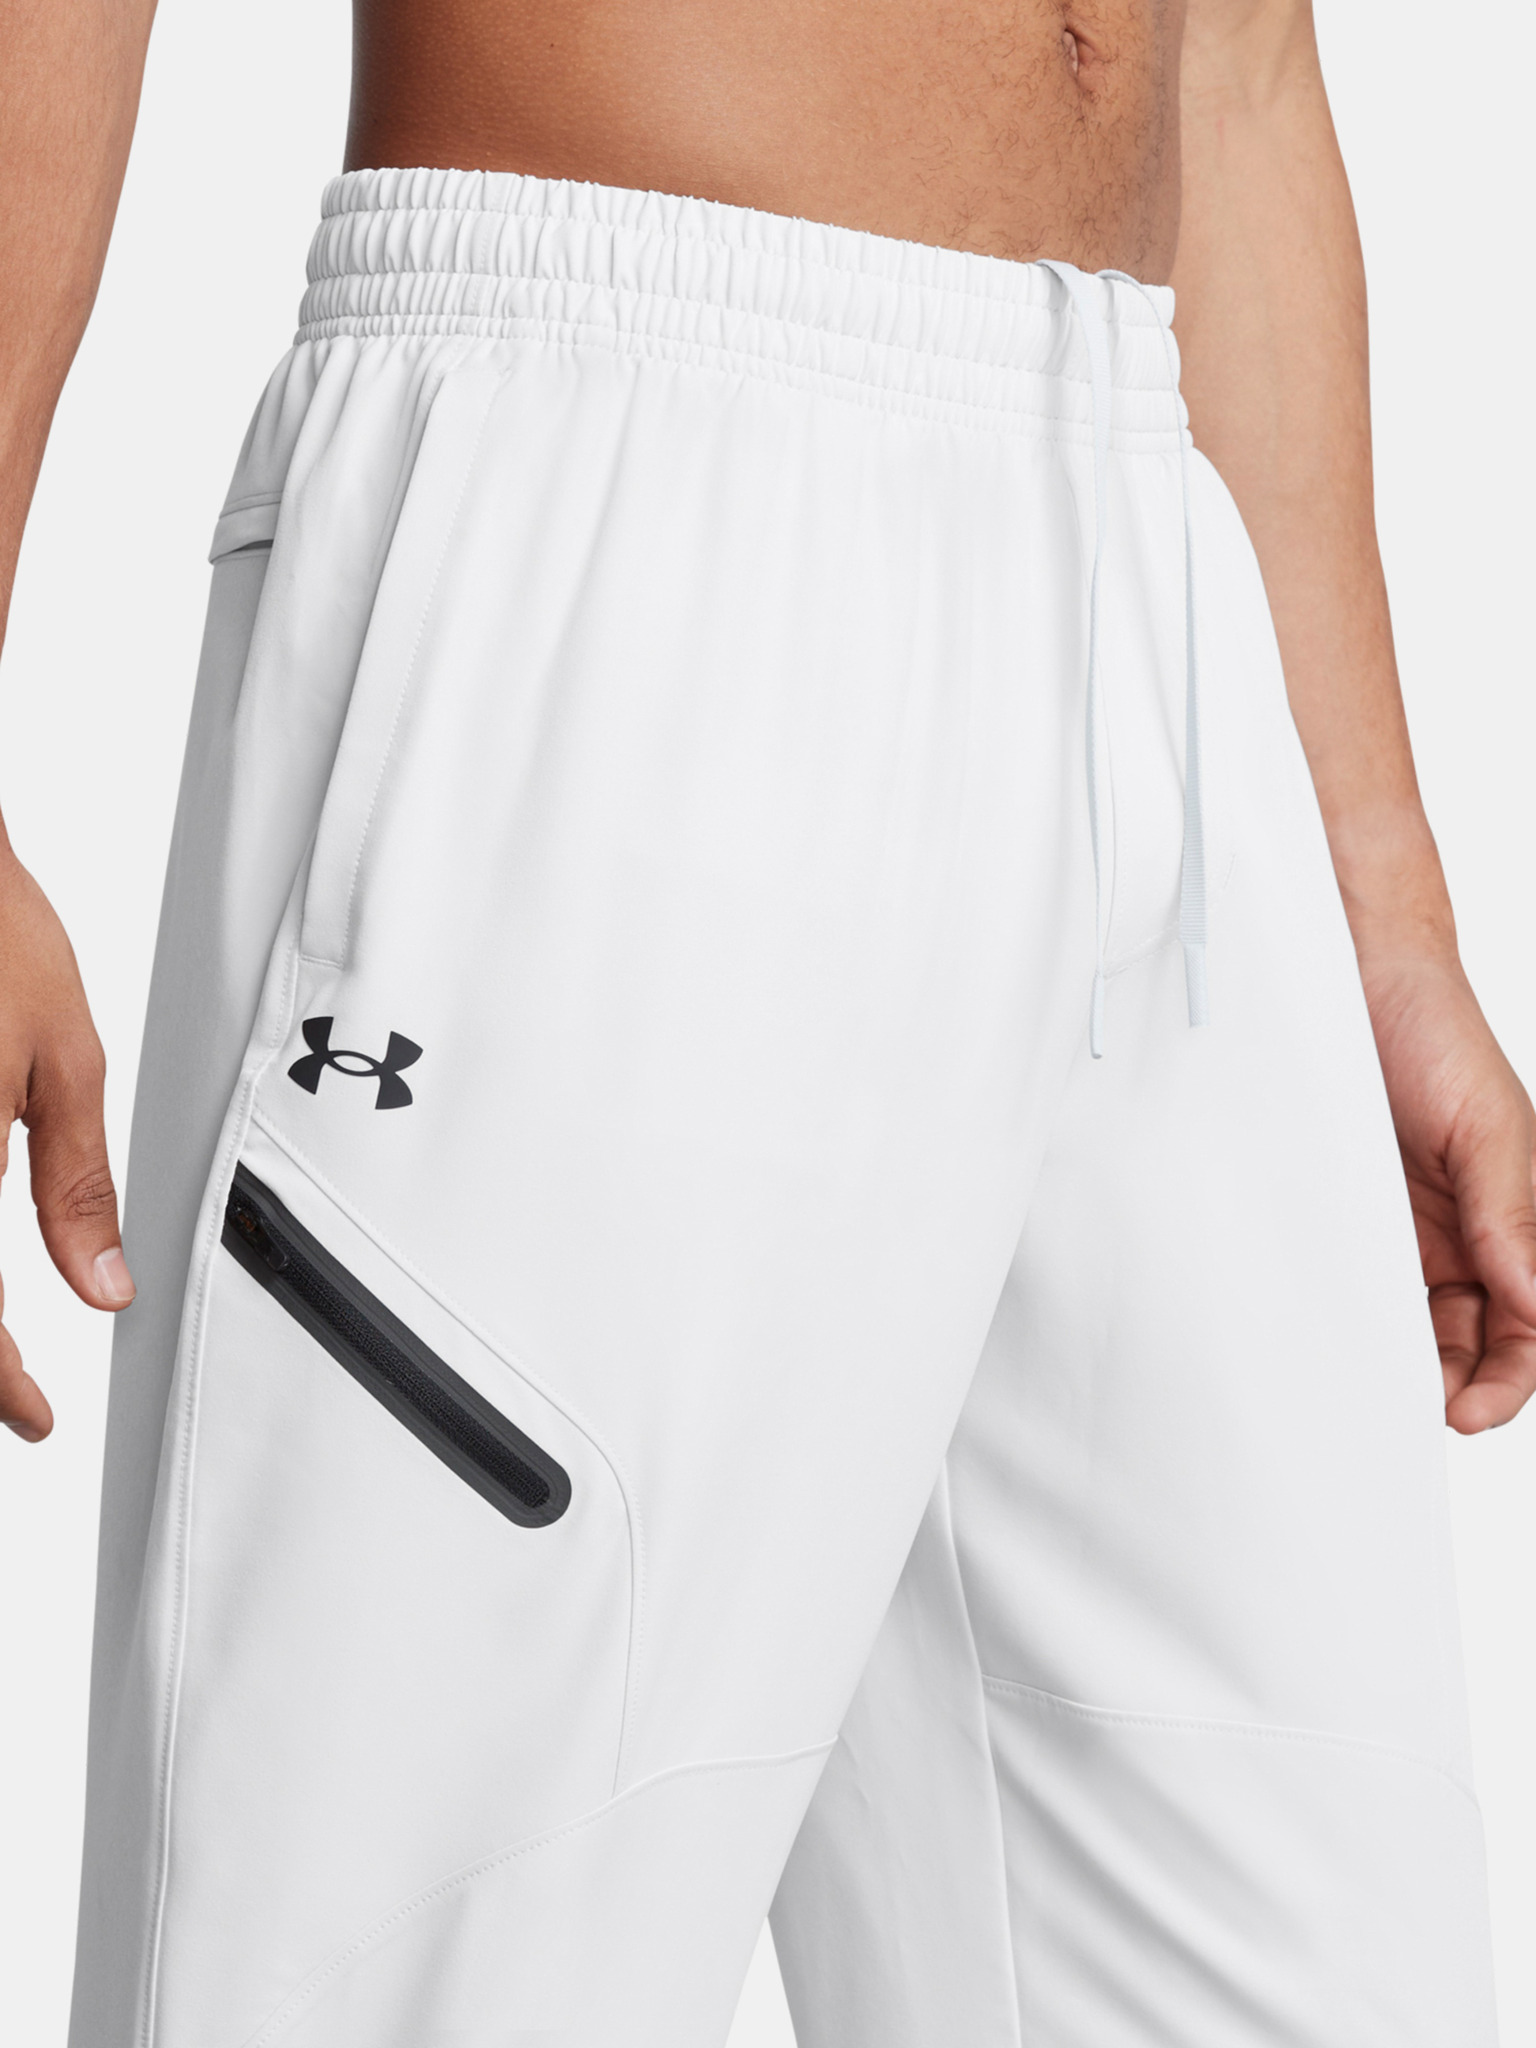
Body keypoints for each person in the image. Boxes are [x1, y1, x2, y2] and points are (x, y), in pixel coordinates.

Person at [1, 2, 1529, 2042]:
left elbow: (1235, 51)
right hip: (612, 469)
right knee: (412, 1971)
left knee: (1308, 1971)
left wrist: (1378, 901)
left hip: (1150, 569)